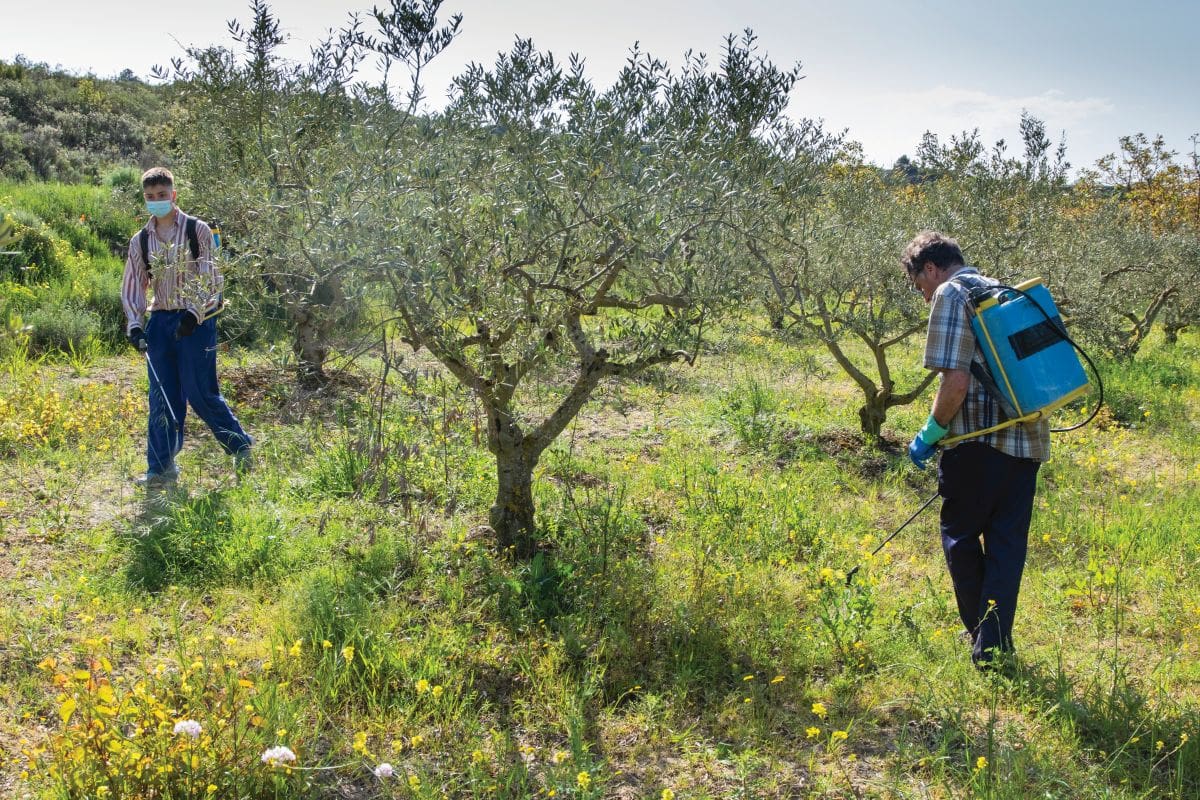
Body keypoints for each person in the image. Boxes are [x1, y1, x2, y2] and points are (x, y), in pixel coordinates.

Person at [901, 230, 1048, 667]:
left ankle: (983, 642)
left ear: (931, 268)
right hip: (1028, 443)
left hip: (976, 446)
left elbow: (956, 380)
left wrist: (931, 432)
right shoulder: (998, 290)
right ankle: (994, 649)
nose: (924, 296)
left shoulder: (951, 292)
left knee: (960, 539)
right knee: (1006, 549)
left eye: (919, 286)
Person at [121, 167, 252, 484]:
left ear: (173, 195)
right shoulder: (140, 240)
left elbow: (212, 276)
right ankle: (160, 469)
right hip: (161, 322)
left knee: (200, 392)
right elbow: (133, 285)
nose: (157, 201)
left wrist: (194, 315)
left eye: (162, 195)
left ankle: (240, 448)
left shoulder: (198, 230)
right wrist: (136, 325)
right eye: (150, 197)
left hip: (198, 321)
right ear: (145, 199)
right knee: (162, 397)